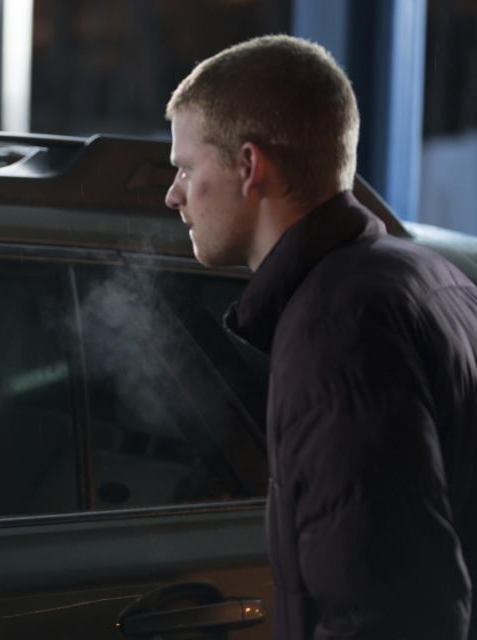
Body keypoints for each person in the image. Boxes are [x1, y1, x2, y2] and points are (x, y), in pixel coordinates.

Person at [164, 35, 477, 639]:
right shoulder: (426, 276)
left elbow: (390, 615)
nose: (173, 194)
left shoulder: (338, 329)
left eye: (184, 167)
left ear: (249, 166)